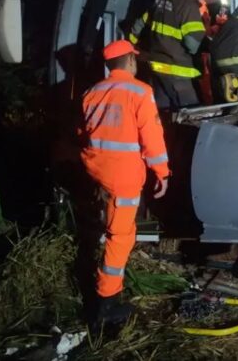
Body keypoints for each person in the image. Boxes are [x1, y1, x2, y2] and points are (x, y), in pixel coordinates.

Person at [80, 39, 170, 327]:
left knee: (115, 228)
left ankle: (107, 293)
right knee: (120, 237)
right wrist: (162, 172)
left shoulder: (91, 92)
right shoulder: (140, 92)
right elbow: (152, 137)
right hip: (124, 176)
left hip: (95, 169)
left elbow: (83, 131)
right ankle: (106, 304)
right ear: (130, 60)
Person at [128, 0, 206, 108]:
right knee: (190, 115)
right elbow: (192, 45)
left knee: (163, 113)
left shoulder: (160, 0)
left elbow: (137, 27)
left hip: (156, 68)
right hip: (177, 70)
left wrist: (131, 45)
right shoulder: (187, 5)